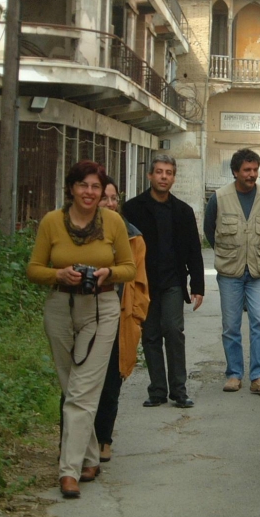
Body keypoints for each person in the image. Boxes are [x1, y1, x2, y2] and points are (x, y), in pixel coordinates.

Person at [27, 161, 136, 499]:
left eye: (96, 187)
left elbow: (129, 267)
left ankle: (68, 470)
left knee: (83, 390)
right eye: (83, 185)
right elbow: (33, 269)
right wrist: (57, 275)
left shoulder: (113, 221)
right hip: (60, 306)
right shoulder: (51, 222)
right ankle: (90, 456)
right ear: (71, 188)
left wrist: (108, 274)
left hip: (101, 307)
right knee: (69, 384)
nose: (90, 192)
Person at [122, 155, 204, 409]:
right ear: (149, 176)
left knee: (173, 331)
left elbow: (194, 250)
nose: (164, 177)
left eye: (169, 172)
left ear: (174, 177)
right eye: (159, 172)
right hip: (143, 283)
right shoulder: (132, 208)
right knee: (150, 335)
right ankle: (157, 390)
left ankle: (179, 391)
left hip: (172, 282)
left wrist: (198, 286)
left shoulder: (183, 211)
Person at [204, 148, 260, 394]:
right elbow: (209, 230)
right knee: (231, 325)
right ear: (235, 171)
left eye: (255, 169)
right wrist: (228, 254)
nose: (252, 174)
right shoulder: (219, 197)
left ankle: (259, 376)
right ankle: (234, 374)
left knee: (259, 321)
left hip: (258, 271)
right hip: (230, 272)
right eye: (247, 170)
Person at [95, 179, 149, 462]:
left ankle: (104, 438)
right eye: (105, 198)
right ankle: (74, 442)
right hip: (85, 317)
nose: (110, 203)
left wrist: (136, 316)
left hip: (120, 317)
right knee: (78, 385)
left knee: (111, 382)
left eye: (114, 198)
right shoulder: (78, 234)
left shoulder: (132, 237)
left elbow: (140, 283)